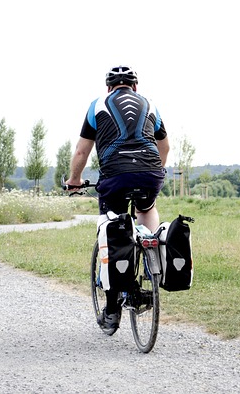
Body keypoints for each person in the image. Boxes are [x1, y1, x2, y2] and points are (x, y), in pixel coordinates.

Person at [66, 65, 170, 332]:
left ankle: (112, 309)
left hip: (114, 177)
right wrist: (155, 173)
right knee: (146, 207)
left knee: (111, 227)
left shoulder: (97, 105)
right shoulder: (150, 105)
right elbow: (165, 146)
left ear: (108, 88)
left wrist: (75, 180)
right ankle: (152, 252)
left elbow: (81, 152)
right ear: (135, 86)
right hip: (150, 173)